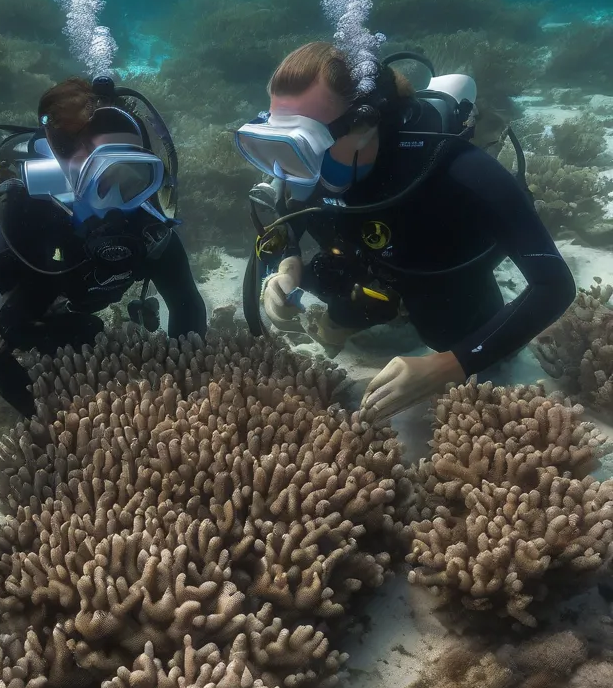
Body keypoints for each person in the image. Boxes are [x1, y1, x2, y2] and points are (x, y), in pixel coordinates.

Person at [234, 41, 576, 420]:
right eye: (277, 142)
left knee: (448, 334)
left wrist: (449, 364)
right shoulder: (312, 165)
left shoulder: (458, 169)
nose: (285, 169)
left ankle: (416, 317)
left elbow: (554, 285)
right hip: (366, 253)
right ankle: (372, 306)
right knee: (328, 279)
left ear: (363, 125)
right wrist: (288, 265)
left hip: (439, 261)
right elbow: (289, 215)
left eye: (302, 145)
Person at [0, 75, 208, 416]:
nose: (118, 205)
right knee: (76, 333)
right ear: (65, 176)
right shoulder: (22, 233)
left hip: (70, 307)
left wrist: (186, 391)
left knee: (88, 333)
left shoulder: (151, 232)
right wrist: (49, 424)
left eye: (134, 178)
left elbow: (187, 305)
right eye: (100, 181)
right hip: (31, 313)